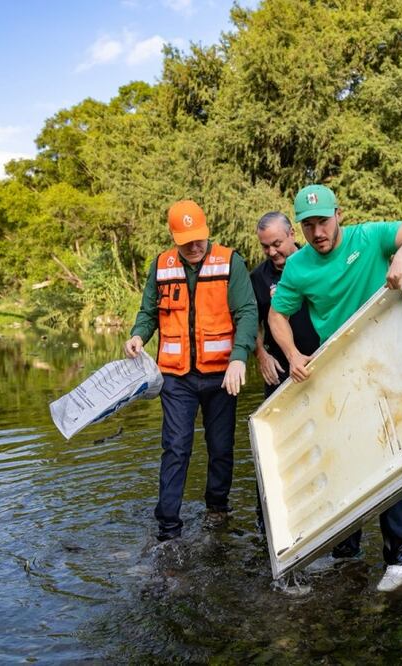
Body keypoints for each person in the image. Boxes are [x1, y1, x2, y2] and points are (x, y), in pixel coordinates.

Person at [267, 184, 402, 591]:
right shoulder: (298, 267)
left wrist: (401, 255)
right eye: (308, 226)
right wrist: (291, 354)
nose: (317, 232)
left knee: (394, 453)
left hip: (388, 357)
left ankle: (399, 557)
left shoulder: (369, 236)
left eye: (323, 221)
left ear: (338, 214)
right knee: (345, 457)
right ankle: (348, 552)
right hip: (339, 369)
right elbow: (276, 316)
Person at [124, 200, 258, 542]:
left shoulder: (231, 262)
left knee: (221, 446)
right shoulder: (161, 265)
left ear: (207, 230)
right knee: (176, 447)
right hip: (176, 376)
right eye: (186, 241)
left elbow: (246, 312)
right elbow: (148, 312)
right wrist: (138, 335)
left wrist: (240, 357)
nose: (195, 246)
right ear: (173, 237)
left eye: (199, 238)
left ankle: (217, 509)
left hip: (222, 375)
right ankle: (168, 526)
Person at [249, 211, 321, 532]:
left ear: (292, 234)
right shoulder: (259, 278)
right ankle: (270, 525)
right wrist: (261, 353)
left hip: (321, 363)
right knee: (278, 446)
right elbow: (253, 322)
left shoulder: (316, 262)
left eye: (277, 243)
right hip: (280, 372)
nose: (272, 252)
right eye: (266, 247)